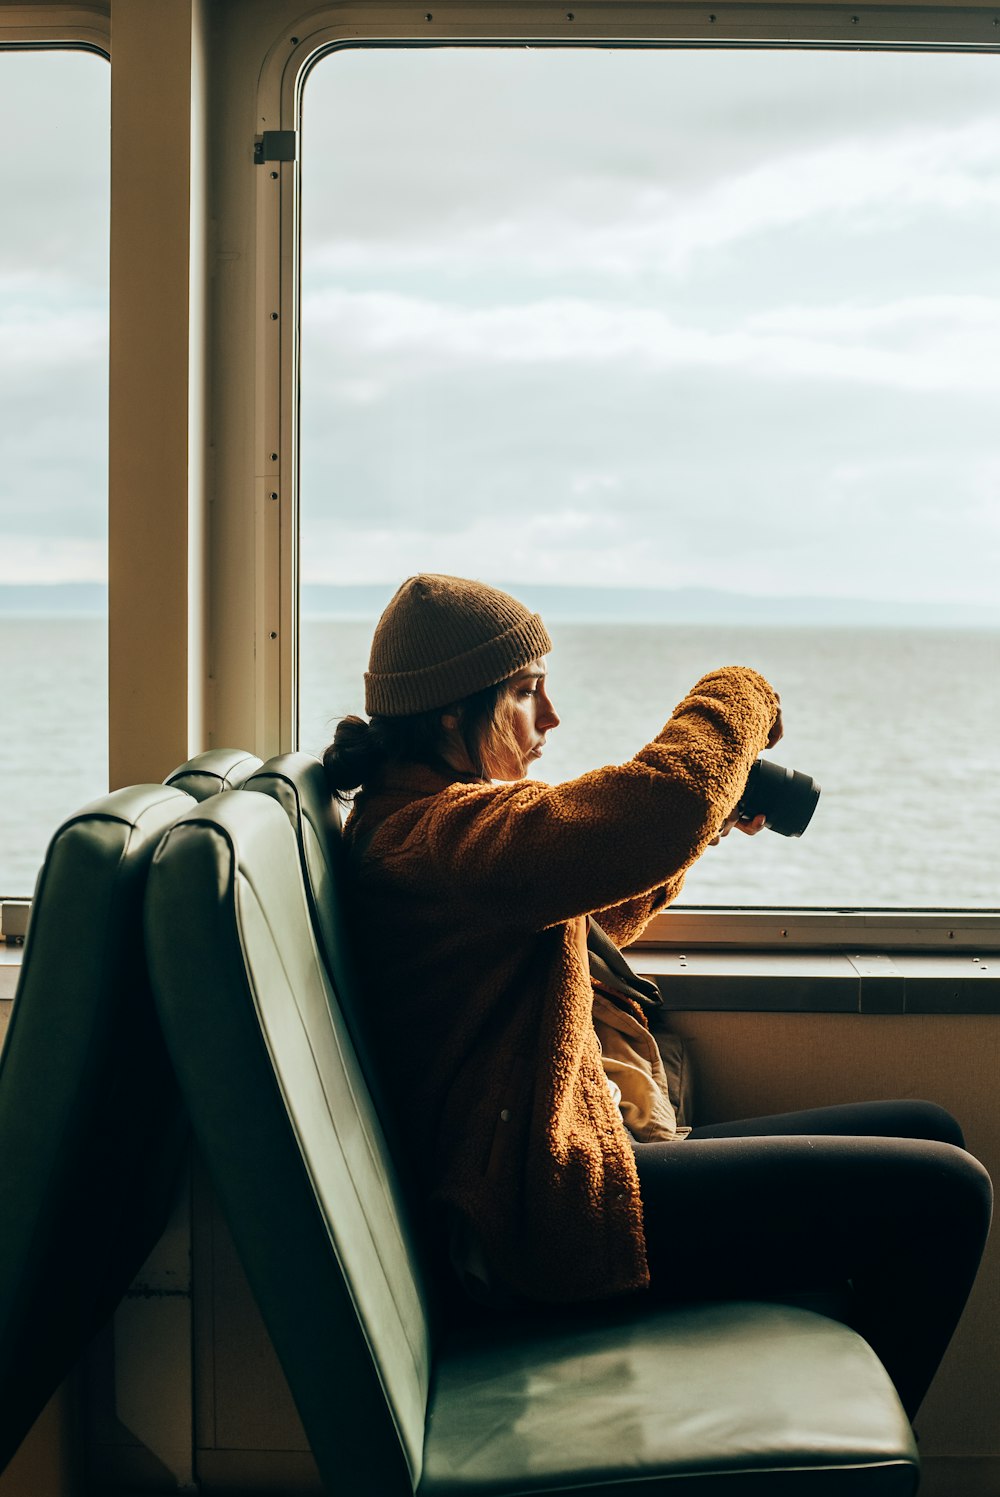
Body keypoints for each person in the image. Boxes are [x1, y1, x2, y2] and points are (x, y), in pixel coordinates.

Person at [323, 572, 991, 1420]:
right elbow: (660, 803)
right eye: (528, 693)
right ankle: (849, 1462)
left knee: (933, 1130)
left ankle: (825, 1437)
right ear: (452, 711)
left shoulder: (432, 828)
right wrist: (739, 692)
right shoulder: (439, 836)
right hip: (543, 1221)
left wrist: (710, 819)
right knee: (948, 1194)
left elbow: (594, 904)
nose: (551, 719)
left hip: (563, 1171)